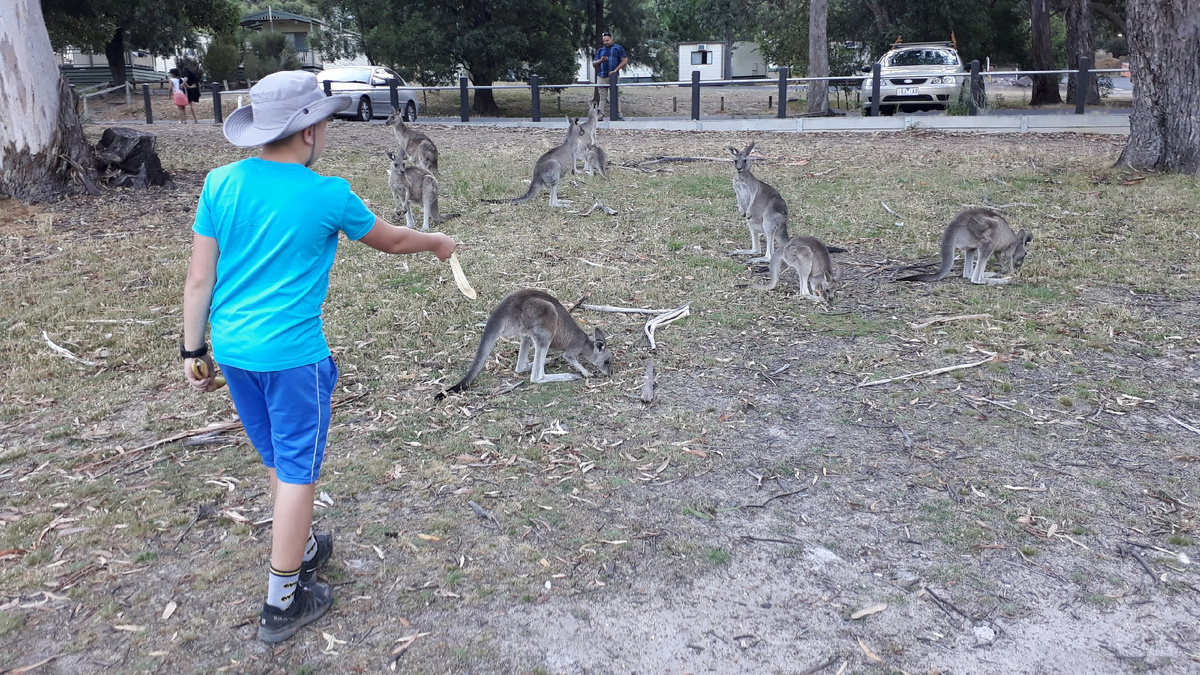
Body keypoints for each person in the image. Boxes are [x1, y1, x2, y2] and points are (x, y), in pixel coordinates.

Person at [182, 71, 456, 644]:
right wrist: (436, 241)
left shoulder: (220, 183)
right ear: (308, 132)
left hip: (233, 351)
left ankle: (301, 543)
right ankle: (283, 601)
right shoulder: (328, 193)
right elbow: (392, 239)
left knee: (279, 460)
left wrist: (193, 349)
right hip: (293, 358)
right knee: (299, 471)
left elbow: (199, 278)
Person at [591, 31, 627, 118]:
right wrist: (601, 60)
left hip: (613, 76)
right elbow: (594, 63)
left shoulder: (618, 48)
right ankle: (600, 116)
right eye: (604, 41)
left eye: (607, 40)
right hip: (602, 76)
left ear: (611, 39)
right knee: (602, 98)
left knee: (614, 97)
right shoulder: (600, 51)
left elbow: (624, 60)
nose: (606, 42)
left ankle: (618, 115)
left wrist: (616, 70)